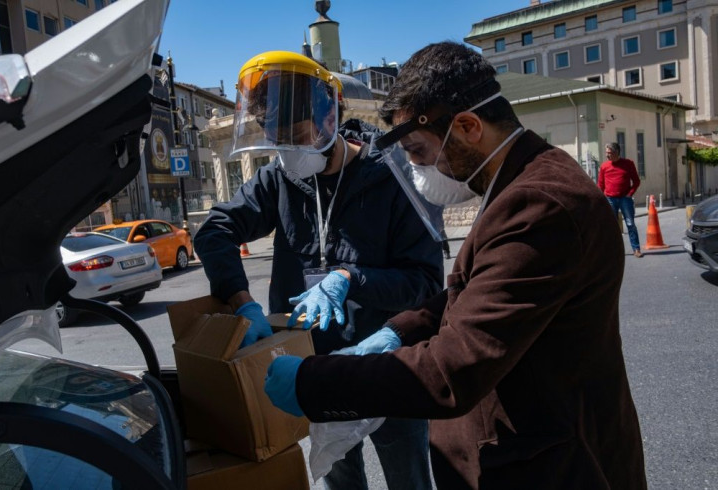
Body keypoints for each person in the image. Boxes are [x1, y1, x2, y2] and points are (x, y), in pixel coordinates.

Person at [264, 42, 648, 489]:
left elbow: (453, 370)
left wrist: (314, 382)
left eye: (419, 151)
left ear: (467, 126)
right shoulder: (520, 181)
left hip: (552, 465)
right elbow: (477, 294)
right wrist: (397, 332)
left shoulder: (540, 204)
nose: (417, 168)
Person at [194, 51, 443, 490]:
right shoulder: (280, 180)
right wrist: (243, 302)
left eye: (297, 135)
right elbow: (215, 230)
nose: (288, 150)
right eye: (277, 139)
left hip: (387, 365)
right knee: (338, 476)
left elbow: (424, 284)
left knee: (408, 475)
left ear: (329, 118)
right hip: (318, 370)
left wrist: (350, 279)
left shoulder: (394, 177)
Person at [598, 142, 643, 257]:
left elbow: (636, 181)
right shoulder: (604, 166)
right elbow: (600, 185)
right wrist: (601, 199)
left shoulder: (628, 164)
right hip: (610, 199)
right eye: (606, 153)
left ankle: (636, 249)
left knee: (630, 224)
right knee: (612, 226)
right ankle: (613, 250)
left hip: (625, 199)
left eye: (610, 153)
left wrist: (630, 194)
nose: (607, 155)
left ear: (617, 152)